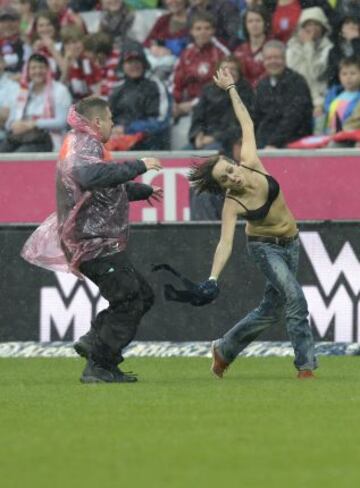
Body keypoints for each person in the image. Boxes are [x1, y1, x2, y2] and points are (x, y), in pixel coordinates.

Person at [21, 96, 164, 384]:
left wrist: (140, 191)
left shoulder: (85, 144)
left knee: (140, 295)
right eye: (110, 118)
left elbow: (103, 187)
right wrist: (139, 164)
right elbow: (89, 176)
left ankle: (97, 347)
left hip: (95, 242)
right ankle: (99, 362)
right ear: (97, 122)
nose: (114, 124)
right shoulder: (85, 144)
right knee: (129, 299)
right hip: (92, 242)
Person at [188, 66, 318, 379]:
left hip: (292, 242)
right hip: (265, 248)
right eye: (224, 178)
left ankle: (225, 348)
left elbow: (246, 121)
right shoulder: (233, 204)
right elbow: (226, 242)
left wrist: (231, 88)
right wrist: (213, 278)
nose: (232, 175)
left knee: (271, 310)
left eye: (229, 168)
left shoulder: (252, 162)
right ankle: (306, 367)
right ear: (222, 187)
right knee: (296, 298)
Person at [0, 52, 71, 152]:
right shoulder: (22, 92)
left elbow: (61, 122)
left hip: (48, 137)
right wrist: (15, 125)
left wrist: (33, 124)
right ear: (28, 71)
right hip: (22, 136)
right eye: (33, 68)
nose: (37, 71)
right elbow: (10, 121)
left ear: (48, 69)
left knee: (20, 154)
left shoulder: (59, 90)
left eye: (41, 67)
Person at [254, 40, 313, 149]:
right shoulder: (262, 84)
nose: (273, 62)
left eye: (277, 57)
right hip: (264, 143)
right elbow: (256, 117)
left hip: (293, 142)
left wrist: (274, 143)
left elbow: (294, 118)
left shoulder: (297, 82)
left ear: (285, 59)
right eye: (269, 58)